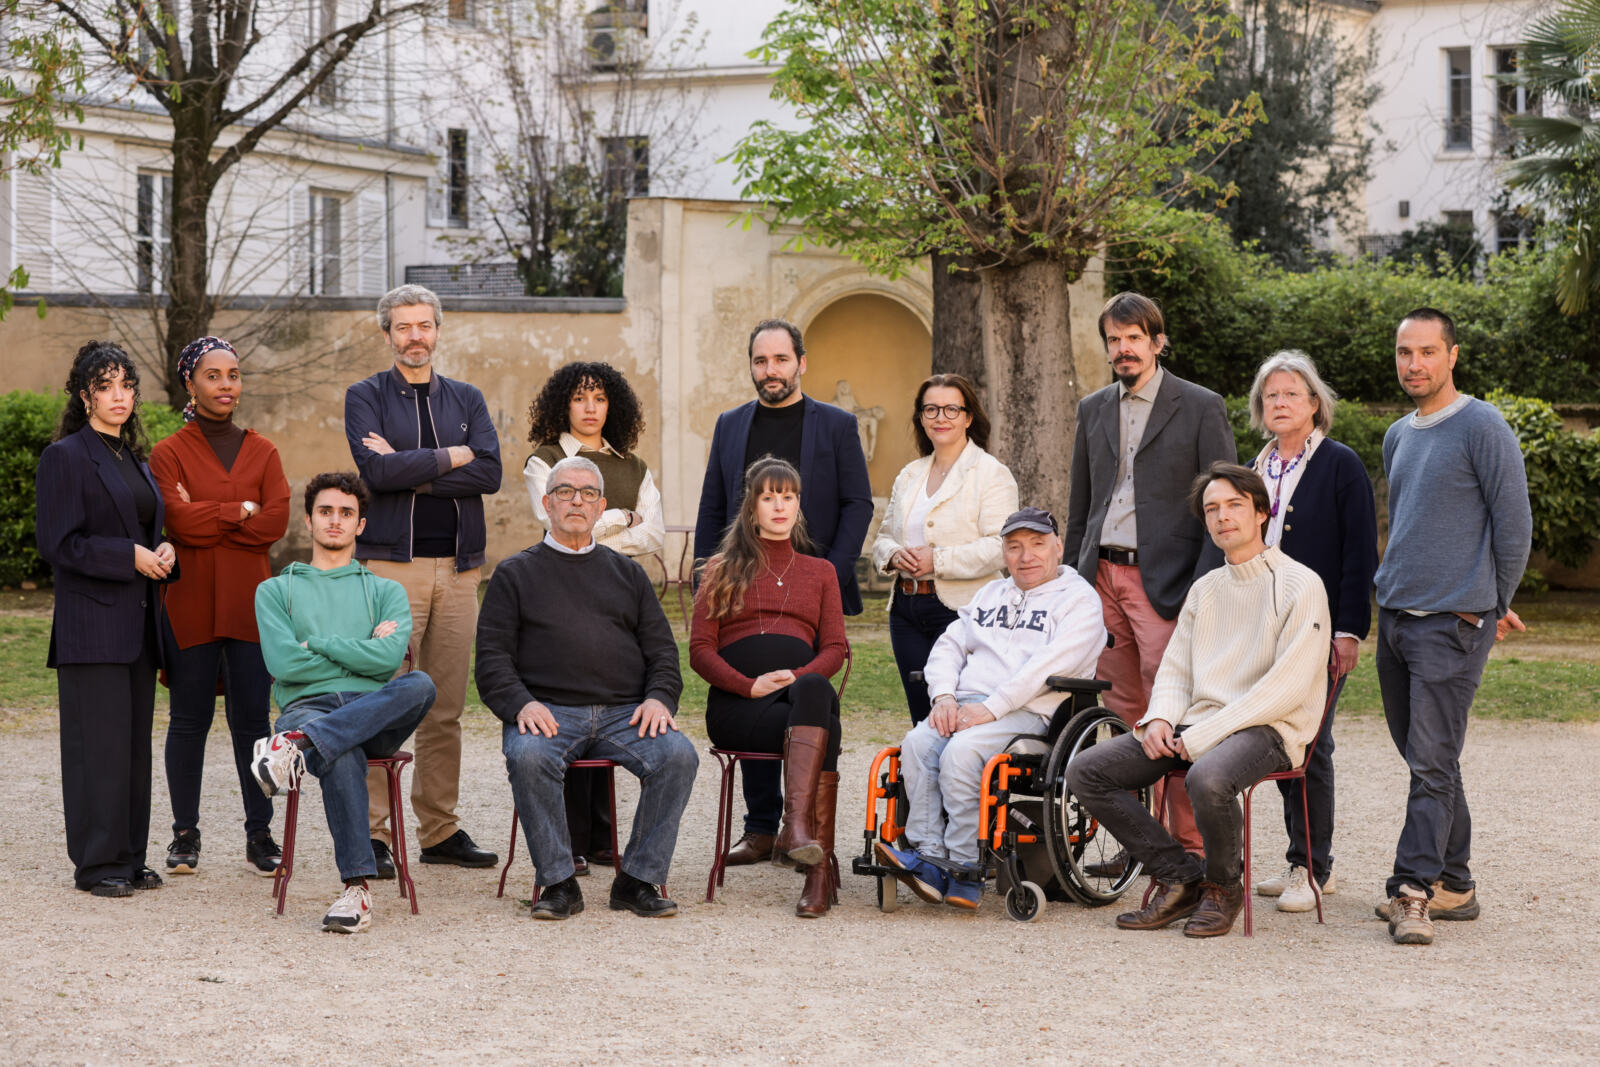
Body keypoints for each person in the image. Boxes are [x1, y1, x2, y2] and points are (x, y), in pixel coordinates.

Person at [1065, 463, 1331, 938]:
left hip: (1271, 728)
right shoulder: (1206, 588)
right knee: (1087, 771)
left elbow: (1285, 688)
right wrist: (1160, 718)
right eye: (1212, 509)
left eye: (1234, 505)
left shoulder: (1300, 584)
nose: (1223, 516)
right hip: (1198, 726)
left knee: (1208, 778)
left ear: (1262, 513)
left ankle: (1224, 888)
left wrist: (1205, 734)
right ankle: (1180, 877)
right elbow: (1177, 668)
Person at [477, 457, 697, 920]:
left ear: (601, 509)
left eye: (588, 493)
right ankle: (558, 884)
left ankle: (637, 880)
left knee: (678, 756)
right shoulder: (515, 574)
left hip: (625, 714)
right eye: (565, 491)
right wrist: (521, 703)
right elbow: (493, 662)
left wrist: (659, 698)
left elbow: (662, 654)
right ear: (546, 503)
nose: (577, 500)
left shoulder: (629, 574)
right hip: (550, 712)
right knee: (529, 755)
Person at [1373, 308, 1531, 946]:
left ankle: (1412, 890)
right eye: (1405, 352)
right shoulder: (1398, 434)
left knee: (1432, 762)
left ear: (1453, 356)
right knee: (1427, 758)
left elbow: (1513, 525)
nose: (1415, 364)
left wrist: (1490, 604)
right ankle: (1456, 883)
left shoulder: (1482, 426)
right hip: (1396, 618)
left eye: (1428, 352)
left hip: (1454, 623)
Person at [1063, 291, 1236, 872]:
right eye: (1113, 339)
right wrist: (1072, 582)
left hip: (1166, 583)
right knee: (1118, 722)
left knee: (1171, 720)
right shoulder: (1092, 408)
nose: (1123, 349)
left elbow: (1223, 504)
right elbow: (1082, 504)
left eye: (1134, 337)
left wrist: (1203, 588)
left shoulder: (1200, 406)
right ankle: (1142, 848)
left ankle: (1189, 850)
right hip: (1099, 580)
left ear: (1158, 342)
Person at [694, 318, 873, 866]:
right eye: (760, 361)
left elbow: (857, 504)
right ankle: (762, 827)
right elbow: (712, 504)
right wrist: (709, 574)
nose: (770, 371)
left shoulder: (836, 425)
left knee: (800, 685)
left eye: (780, 360)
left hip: (809, 585)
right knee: (757, 678)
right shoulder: (730, 425)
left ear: (801, 362)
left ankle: (799, 830)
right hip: (743, 579)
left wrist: (828, 572)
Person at [874, 507, 1106, 911]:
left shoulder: (1080, 601)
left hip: (1029, 711)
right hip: (963, 705)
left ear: (1057, 547)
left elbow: (1047, 668)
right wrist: (943, 696)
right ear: (1003, 553)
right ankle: (929, 857)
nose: (1025, 556)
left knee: (963, 753)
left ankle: (962, 864)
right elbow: (949, 645)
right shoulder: (990, 594)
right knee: (915, 745)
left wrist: (993, 708)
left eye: (1036, 545)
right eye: (1014, 547)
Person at [345, 283, 502, 874]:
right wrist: (452, 455)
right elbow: (375, 473)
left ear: (438, 331)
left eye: (425, 326)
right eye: (404, 327)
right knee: (383, 701)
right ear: (387, 334)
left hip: (460, 570)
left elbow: (490, 471)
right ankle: (374, 836)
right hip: (390, 568)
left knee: (445, 708)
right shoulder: (364, 396)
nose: (416, 337)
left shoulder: (466, 397)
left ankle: (439, 831)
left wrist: (418, 468)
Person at [251, 472, 437, 933]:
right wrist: (358, 651)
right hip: (308, 706)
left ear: (361, 525)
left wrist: (316, 643)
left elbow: (389, 660)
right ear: (309, 521)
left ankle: (294, 746)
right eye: (326, 511)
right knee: (342, 750)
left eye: (346, 513)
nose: (335, 521)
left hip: (371, 711)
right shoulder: (276, 590)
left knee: (420, 684)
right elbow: (284, 665)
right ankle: (357, 890)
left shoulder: (385, 591)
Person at [36, 340, 177, 898]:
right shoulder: (66, 456)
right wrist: (129, 558)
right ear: (84, 394)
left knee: (132, 748)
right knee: (98, 749)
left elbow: (146, 533)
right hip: (90, 629)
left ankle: (129, 856)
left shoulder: (135, 458)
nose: (119, 396)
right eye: (105, 386)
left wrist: (164, 553)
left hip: (139, 625)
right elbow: (59, 544)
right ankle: (97, 865)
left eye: (126, 386)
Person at [150, 336, 291, 877]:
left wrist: (209, 512)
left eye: (233, 375)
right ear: (191, 381)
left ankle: (260, 835)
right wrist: (241, 510)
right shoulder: (168, 452)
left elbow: (274, 524)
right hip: (189, 606)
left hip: (251, 607)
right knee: (188, 720)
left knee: (253, 722)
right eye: (214, 375)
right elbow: (176, 522)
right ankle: (184, 835)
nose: (226, 385)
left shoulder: (264, 450)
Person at [1242, 351, 1378, 913]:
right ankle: (1300, 856)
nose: (1279, 402)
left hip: (1319, 628)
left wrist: (1348, 631)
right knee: (1279, 739)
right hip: (1263, 628)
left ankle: (1312, 868)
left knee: (1311, 743)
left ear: (1314, 404)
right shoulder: (1256, 465)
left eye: (1291, 394)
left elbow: (1357, 553)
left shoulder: (1340, 464)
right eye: (1270, 395)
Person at [522, 361, 665, 877]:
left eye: (599, 398)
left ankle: (604, 839)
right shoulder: (544, 460)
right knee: (570, 696)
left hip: (622, 590)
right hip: (559, 587)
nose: (589, 408)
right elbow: (555, 523)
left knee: (613, 691)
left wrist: (598, 531)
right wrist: (619, 517)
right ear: (565, 404)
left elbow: (654, 535)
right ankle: (572, 843)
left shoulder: (633, 465)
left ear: (612, 406)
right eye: (580, 398)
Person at [690, 458, 848, 918]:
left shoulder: (821, 572)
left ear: (799, 505)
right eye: (769, 496)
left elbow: (836, 647)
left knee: (817, 691)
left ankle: (799, 836)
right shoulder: (721, 568)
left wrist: (796, 678)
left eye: (788, 496)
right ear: (752, 506)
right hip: (738, 710)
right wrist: (748, 685)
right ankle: (811, 852)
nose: (779, 506)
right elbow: (700, 650)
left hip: (797, 705)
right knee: (826, 726)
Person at [870, 374, 1018, 723]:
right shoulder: (910, 474)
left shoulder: (991, 473)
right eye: (931, 409)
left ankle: (958, 778)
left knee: (956, 714)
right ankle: (925, 778)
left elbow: (1002, 546)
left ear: (968, 417)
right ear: (921, 418)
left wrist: (936, 560)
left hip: (962, 611)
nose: (941, 417)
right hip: (905, 610)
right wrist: (892, 555)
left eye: (952, 409)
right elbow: (883, 537)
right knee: (921, 716)